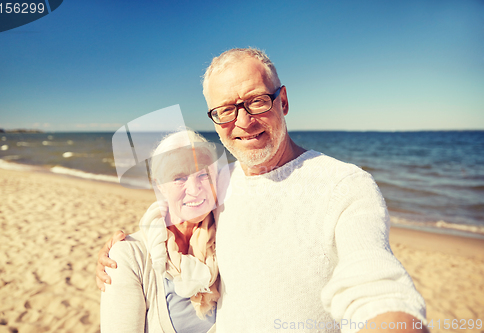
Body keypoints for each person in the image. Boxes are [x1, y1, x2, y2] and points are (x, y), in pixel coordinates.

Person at [97, 48, 427, 333]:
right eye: (225, 110)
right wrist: (121, 249)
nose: (243, 121)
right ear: (214, 118)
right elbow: (174, 208)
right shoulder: (219, 183)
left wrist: (391, 317)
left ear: (282, 101)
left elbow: (372, 280)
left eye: (256, 101)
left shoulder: (343, 185)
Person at [100, 130, 221, 333]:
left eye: (203, 175)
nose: (194, 189)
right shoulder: (128, 256)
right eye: (179, 178)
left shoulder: (229, 237)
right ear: (159, 186)